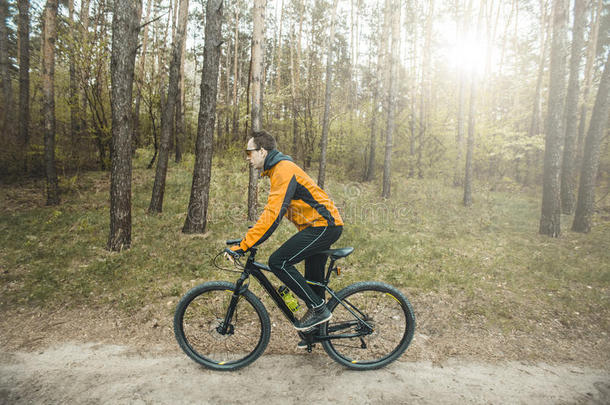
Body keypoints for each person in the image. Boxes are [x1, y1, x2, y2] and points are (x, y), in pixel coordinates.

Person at [227, 130, 344, 331]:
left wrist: (245, 245)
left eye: (249, 152)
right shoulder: (278, 170)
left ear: (262, 151)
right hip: (319, 226)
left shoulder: (283, 169)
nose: (248, 158)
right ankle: (316, 332)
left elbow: (273, 214)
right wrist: (250, 236)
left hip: (325, 226)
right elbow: (271, 212)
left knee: (277, 262)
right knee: (313, 285)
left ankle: (318, 309)